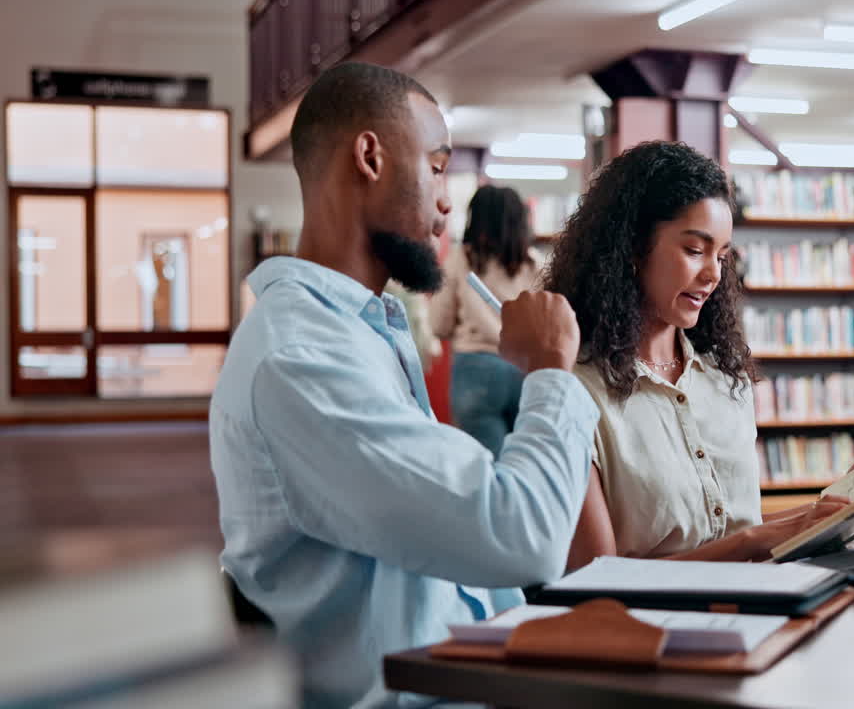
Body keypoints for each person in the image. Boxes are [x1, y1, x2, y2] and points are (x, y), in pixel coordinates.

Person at [209, 62, 599, 708]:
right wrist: (552, 368)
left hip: (469, 667)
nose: (448, 201)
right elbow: (522, 537)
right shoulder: (302, 359)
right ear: (370, 156)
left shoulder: (362, 330)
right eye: (438, 166)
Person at [542, 141, 854, 571]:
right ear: (632, 250)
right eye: (695, 250)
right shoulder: (574, 390)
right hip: (649, 631)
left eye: (722, 255)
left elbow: (735, 530)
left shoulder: (724, 379)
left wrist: (826, 513)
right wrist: (753, 541)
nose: (714, 274)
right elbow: (596, 577)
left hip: (753, 613)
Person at [430, 184, 541, 454]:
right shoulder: (535, 263)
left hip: (475, 370)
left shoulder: (460, 259)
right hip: (525, 371)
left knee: (484, 471)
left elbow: (438, 323)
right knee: (525, 464)